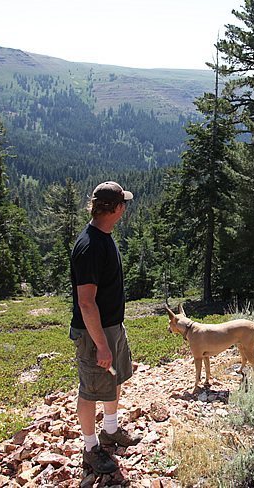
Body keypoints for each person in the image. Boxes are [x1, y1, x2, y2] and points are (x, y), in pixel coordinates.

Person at [70, 180, 141, 476]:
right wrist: (100, 344)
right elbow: (86, 303)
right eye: (123, 202)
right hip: (94, 332)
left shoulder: (102, 235)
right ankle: (90, 448)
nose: (125, 206)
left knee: (115, 378)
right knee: (90, 390)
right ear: (118, 209)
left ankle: (110, 430)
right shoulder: (89, 246)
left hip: (111, 325)